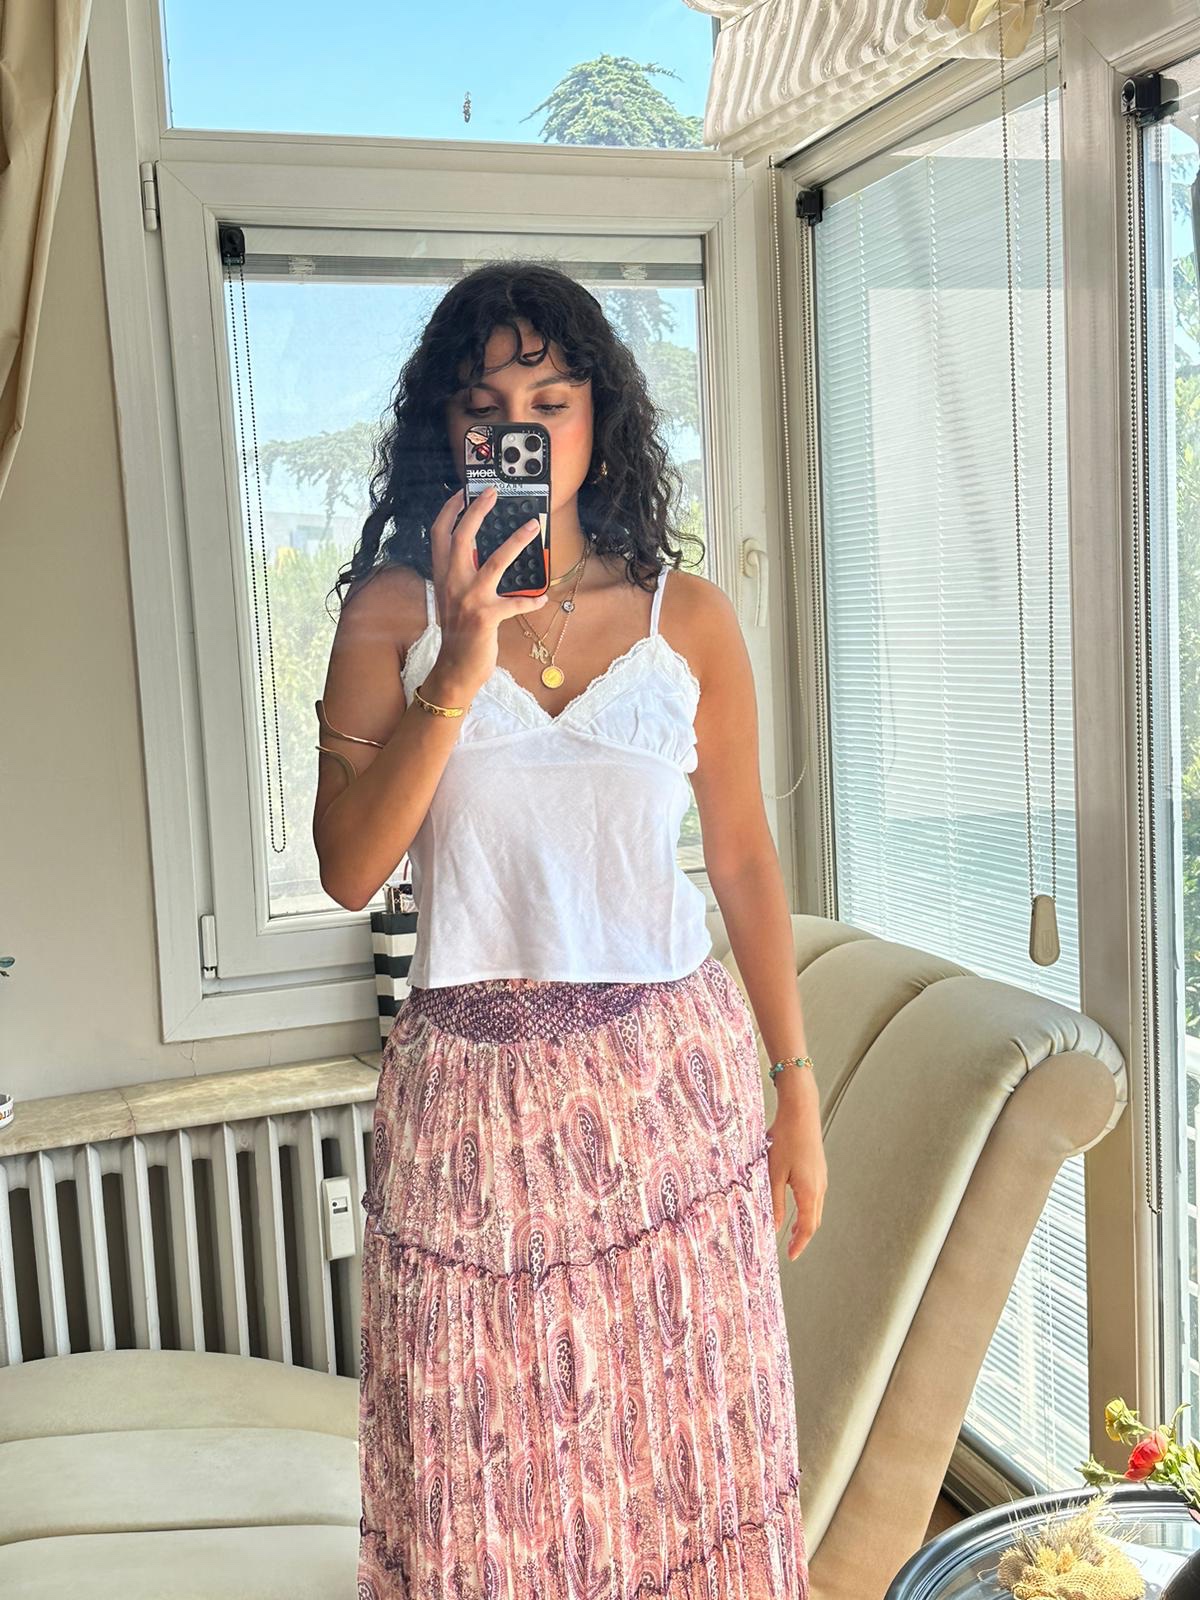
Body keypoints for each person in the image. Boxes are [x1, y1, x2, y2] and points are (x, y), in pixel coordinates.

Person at [312, 261, 826, 1599]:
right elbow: (351, 869)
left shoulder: (685, 619)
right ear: (448, 429)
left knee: (682, 1459)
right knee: (478, 1485)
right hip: (469, 1106)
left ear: (601, 418)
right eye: (486, 408)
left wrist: (796, 1086)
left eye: (550, 403)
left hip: (668, 1090)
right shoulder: (390, 616)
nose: (518, 430)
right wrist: (462, 657)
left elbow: (744, 861)